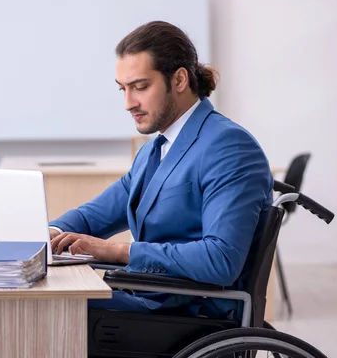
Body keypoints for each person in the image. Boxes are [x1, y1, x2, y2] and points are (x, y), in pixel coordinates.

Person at [49, 20, 273, 320]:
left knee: (52, 307)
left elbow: (220, 259)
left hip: (187, 313)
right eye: (123, 90)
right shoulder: (154, 150)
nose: (129, 103)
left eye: (140, 87)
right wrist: (49, 232)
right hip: (148, 298)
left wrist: (118, 251)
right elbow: (94, 215)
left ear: (179, 80)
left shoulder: (228, 146)